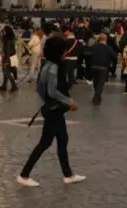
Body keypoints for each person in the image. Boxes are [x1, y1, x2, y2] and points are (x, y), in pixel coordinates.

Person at [17, 35, 85, 187]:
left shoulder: (46, 65)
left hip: (52, 109)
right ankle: (24, 174)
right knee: (45, 143)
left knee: (62, 140)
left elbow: (40, 88)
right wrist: (70, 102)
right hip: (54, 111)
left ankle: (68, 174)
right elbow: (52, 91)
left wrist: (46, 102)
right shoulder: (54, 67)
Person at [86, 34, 117, 105]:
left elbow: (88, 55)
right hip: (103, 67)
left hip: (94, 66)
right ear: (106, 40)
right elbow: (114, 57)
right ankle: (97, 96)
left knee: (95, 82)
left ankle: (96, 95)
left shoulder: (94, 47)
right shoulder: (108, 48)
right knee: (100, 83)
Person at [0, 25, 19, 92]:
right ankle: (4, 86)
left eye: (4, 30)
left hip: (8, 57)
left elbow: (7, 50)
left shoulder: (8, 39)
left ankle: (14, 86)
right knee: (5, 72)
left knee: (7, 72)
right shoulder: (10, 38)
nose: (3, 32)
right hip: (10, 56)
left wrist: (6, 59)